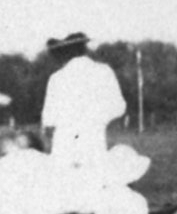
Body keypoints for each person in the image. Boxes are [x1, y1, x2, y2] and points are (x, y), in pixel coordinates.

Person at [40, 32, 125, 168]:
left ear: (64, 52)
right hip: (94, 141)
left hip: (64, 145)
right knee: (93, 182)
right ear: (84, 48)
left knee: (67, 184)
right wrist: (98, 120)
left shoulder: (57, 78)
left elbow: (48, 122)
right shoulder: (104, 71)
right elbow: (118, 107)